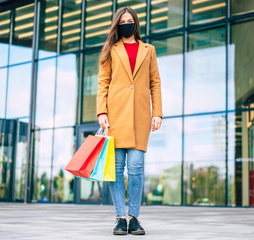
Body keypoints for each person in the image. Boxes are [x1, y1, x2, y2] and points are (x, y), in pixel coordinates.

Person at [96, 6, 163, 235]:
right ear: (118, 25)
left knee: (135, 167)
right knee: (115, 168)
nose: (126, 24)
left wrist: (157, 113)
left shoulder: (149, 50)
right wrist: (101, 112)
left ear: (135, 23)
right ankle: (119, 218)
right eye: (122, 21)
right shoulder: (111, 50)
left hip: (140, 116)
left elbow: (155, 82)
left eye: (129, 20)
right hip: (115, 116)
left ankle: (134, 218)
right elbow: (102, 82)